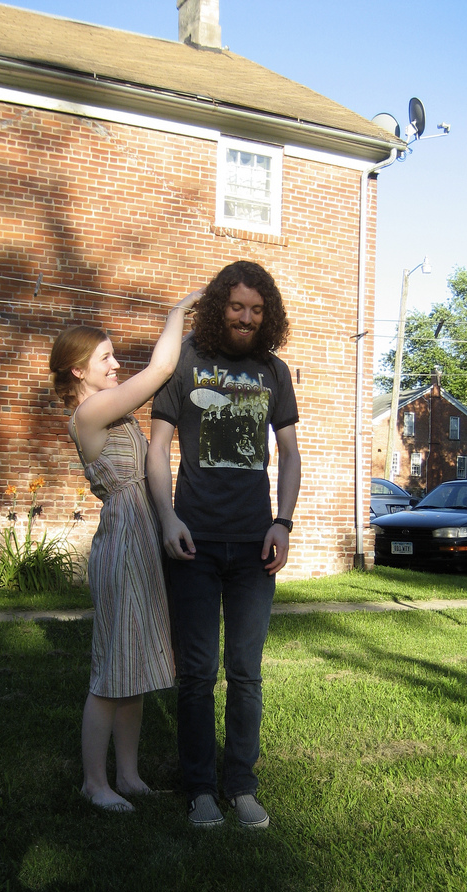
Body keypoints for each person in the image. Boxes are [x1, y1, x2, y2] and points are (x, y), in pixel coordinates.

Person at [147, 261, 301, 828]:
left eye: (257, 310)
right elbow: (157, 447)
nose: (247, 318)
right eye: (237, 306)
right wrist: (167, 517)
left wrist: (283, 522)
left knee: (246, 672)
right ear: (220, 307)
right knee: (196, 672)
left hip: (254, 545)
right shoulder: (185, 360)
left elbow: (291, 454)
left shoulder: (273, 371)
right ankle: (199, 789)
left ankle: (240, 784)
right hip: (193, 540)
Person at [49, 288, 203, 812]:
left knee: (133, 667)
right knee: (112, 669)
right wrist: (178, 313)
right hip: (122, 541)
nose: (116, 364)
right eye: (106, 358)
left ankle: (129, 776)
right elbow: (161, 370)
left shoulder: (113, 411)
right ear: (78, 371)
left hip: (142, 535)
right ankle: (95, 783)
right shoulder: (91, 413)